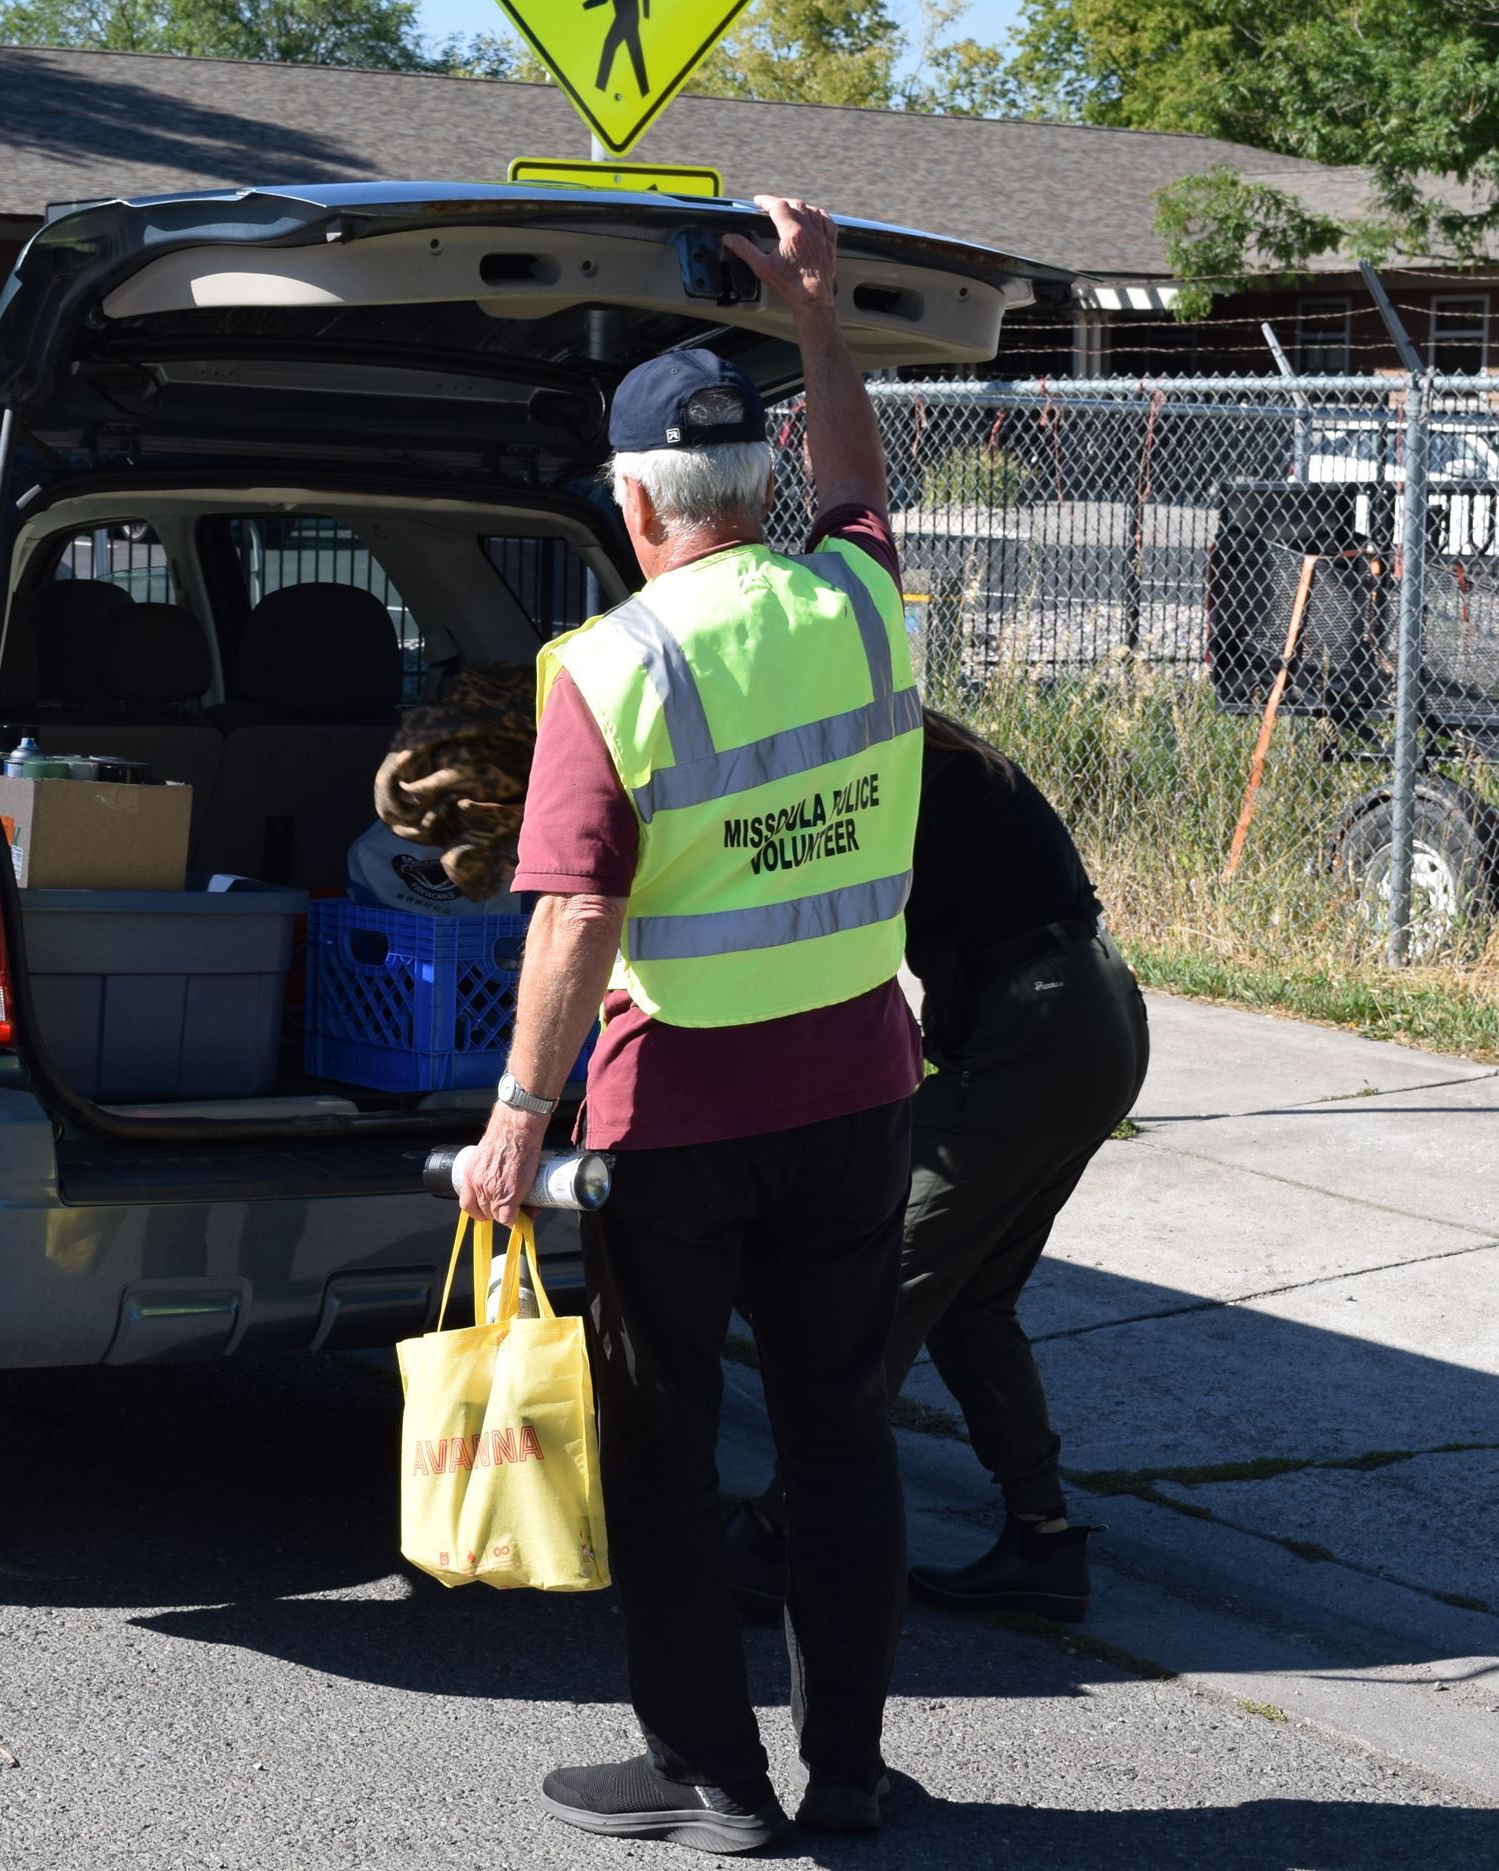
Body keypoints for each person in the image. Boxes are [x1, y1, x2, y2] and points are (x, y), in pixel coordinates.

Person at [458, 196, 925, 1854]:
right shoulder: (861, 601)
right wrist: (816, 311)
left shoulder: (609, 664)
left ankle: (714, 1779)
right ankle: (853, 1775)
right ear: (764, 485)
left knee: (662, 1446)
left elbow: (577, 912)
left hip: (683, 1125)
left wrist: (519, 1111)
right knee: (840, 1431)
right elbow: (860, 476)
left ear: (636, 501)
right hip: (862, 1090)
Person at [725, 711, 1150, 1621]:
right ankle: (1041, 1541)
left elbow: (832, 946)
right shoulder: (917, 745)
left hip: (1038, 1033)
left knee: (868, 1282)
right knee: (968, 1297)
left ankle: (783, 1538)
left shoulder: (885, 767)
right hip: (1084, 1014)